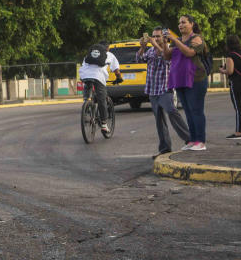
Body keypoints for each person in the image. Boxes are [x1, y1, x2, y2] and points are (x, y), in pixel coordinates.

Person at [136, 26, 190, 156]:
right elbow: (139, 59)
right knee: (159, 120)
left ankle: (189, 138)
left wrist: (155, 45)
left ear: (163, 37)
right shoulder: (149, 51)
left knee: (171, 111)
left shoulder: (168, 49)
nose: (155, 38)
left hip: (165, 88)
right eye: (153, 36)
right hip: (152, 89)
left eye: (158, 36)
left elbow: (166, 58)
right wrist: (142, 47)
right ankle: (165, 148)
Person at [163, 15, 209, 151]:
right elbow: (167, 55)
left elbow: (190, 53)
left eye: (184, 22)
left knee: (196, 110)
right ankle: (193, 140)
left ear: (192, 24)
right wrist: (165, 43)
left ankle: (201, 141)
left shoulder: (196, 38)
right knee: (188, 111)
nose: (180, 25)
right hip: (180, 80)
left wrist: (175, 41)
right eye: (179, 23)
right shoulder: (176, 40)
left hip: (196, 79)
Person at [79, 41, 123, 132]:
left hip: (84, 75)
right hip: (98, 77)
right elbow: (116, 70)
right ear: (107, 48)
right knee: (101, 98)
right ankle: (103, 124)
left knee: (88, 85)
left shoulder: (89, 54)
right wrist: (119, 78)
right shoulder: (109, 54)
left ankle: (86, 103)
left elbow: (84, 65)